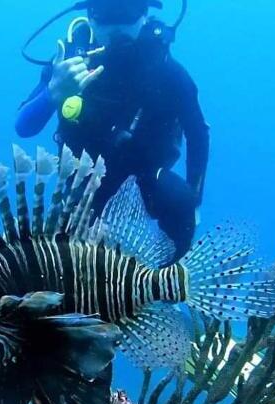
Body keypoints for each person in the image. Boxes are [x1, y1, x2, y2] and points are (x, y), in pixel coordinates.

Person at [16, 0, 209, 263]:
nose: (117, 25)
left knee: (180, 200)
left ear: (145, 14)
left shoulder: (167, 71)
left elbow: (198, 133)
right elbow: (23, 126)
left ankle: (166, 287)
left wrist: (194, 199)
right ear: (90, 15)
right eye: (106, 13)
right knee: (66, 268)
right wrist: (52, 92)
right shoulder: (69, 65)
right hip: (84, 188)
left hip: (148, 179)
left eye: (128, 11)